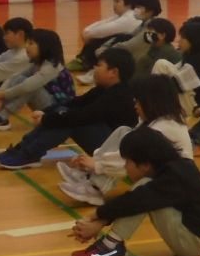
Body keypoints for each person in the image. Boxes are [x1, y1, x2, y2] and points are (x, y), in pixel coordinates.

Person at [67, 127, 200, 256]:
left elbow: (136, 201)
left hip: (193, 243)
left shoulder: (174, 176)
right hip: (193, 236)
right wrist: (101, 220)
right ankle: (111, 245)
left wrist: (96, 216)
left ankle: (111, 246)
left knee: (143, 190)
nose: (125, 167)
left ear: (145, 164)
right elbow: (134, 201)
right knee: (142, 195)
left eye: (127, 161)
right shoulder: (175, 167)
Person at [57, 71, 192, 207]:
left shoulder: (163, 128)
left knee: (126, 154)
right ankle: (88, 175)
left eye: (138, 101)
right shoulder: (157, 119)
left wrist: (97, 165)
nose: (135, 105)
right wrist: (94, 162)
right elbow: (130, 144)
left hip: (172, 182)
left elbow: (130, 159)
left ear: (151, 102)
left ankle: (94, 188)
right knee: (124, 132)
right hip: (158, 171)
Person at [0, 47, 139, 170]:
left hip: (115, 151)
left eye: (99, 65)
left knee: (71, 122)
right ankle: (22, 149)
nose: (94, 69)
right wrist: (46, 113)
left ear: (113, 72)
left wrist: (47, 119)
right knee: (63, 114)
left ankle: (29, 154)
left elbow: (83, 116)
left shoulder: (119, 95)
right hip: (105, 141)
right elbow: (75, 102)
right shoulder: (104, 89)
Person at [0, 28, 73, 133]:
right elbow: (15, 76)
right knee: (20, 79)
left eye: (31, 43)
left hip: (60, 111)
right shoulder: (37, 63)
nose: (27, 46)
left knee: (31, 87)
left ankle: (0, 117)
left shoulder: (53, 66)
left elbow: (28, 86)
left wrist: (3, 95)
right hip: (46, 106)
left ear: (45, 46)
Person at [64, 0, 139, 71]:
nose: (114, 4)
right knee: (99, 35)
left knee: (102, 37)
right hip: (124, 48)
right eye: (113, 1)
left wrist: (88, 34)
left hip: (128, 52)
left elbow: (99, 31)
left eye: (117, 1)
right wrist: (87, 32)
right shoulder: (123, 15)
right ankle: (84, 59)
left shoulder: (129, 18)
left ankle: (86, 61)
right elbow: (102, 23)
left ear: (129, 4)